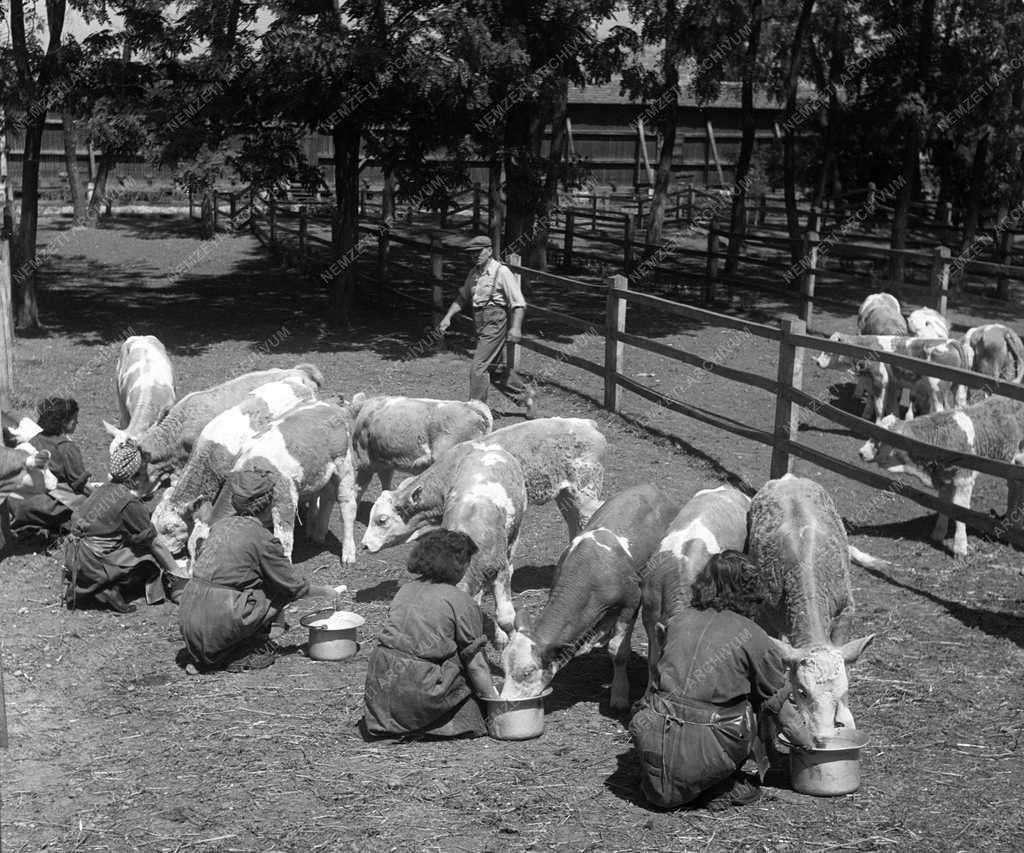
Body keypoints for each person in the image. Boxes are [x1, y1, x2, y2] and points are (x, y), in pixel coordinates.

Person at [629, 550, 815, 811]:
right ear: (750, 590)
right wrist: (812, 747)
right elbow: (784, 714)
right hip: (711, 746)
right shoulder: (753, 636)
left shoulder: (676, 621)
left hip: (652, 738)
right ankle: (715, 784)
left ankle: (668, 779)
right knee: (761, 701)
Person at [178, 469, 344, 674]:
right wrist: (327, 592)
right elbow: (293, 585)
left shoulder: (219, 527)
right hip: (217, 620)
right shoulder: (262, 539)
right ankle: (227, 650)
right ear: (268, 505)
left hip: (188, 613)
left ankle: (208, 651)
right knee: (278, 588)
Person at [362, 529, 499, 738]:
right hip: (420, 686)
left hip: (379, 685)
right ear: (458, 564)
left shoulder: (404, 590)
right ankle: (426, 724)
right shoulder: (461, 602)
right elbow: (476, 664)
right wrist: (494, 703)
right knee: (474, 711)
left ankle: (390, 722)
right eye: (467, 562)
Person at [63, 441, 181, 614]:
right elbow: (155, 543)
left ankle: (93, 582)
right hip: (90, 561)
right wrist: (177, 571)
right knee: (151, 561)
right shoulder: (129, 502)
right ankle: (110, 588)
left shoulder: (104, 489)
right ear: (135, 475)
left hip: (73, 555)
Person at [437, 235, 538, 417]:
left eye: (479, 251)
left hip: (496, 321)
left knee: (479, 366)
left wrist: (515, 328)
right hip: (480, 322)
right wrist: (448, 317)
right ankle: (526, 395)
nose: (475, 255)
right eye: (472, 253)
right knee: (495, 369)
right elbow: (463, 297)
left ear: (490, 251)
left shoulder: (502, 272)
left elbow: (519, 303)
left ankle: (476, 412)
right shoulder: (474, 274)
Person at [9, 397, 91, 541]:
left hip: (15, 502)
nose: (77, 422)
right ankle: (61, 525)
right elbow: (81, 486)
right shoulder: (67, 448)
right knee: (88, 501)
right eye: (75, 419)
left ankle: (37, 524)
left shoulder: (34, 440)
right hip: (43, 506)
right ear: (64, 423)